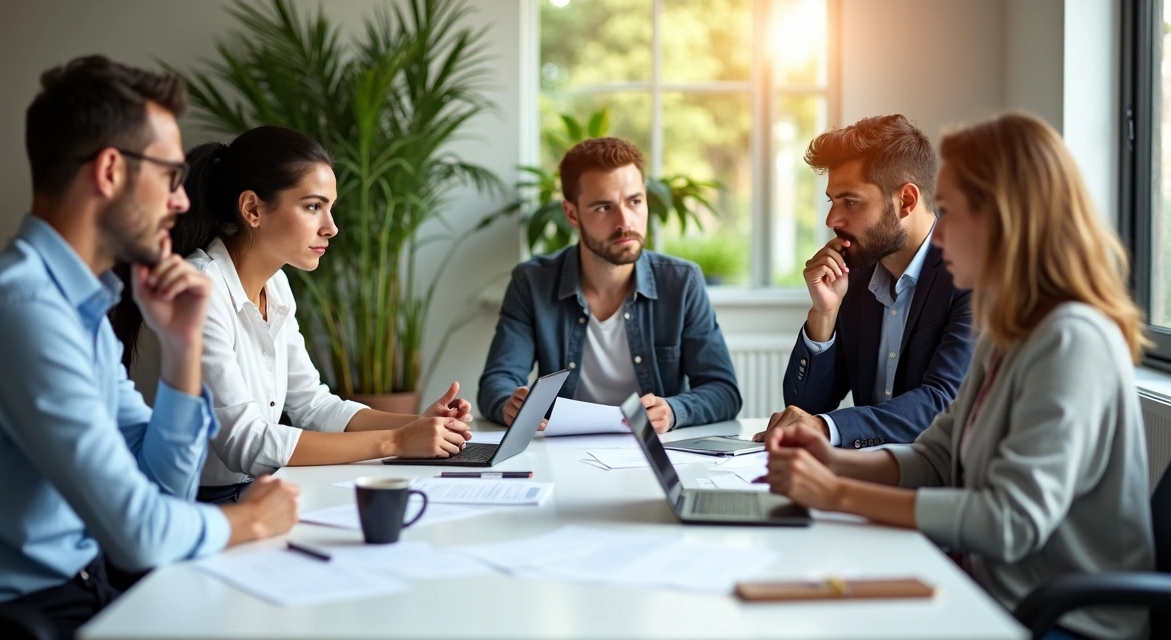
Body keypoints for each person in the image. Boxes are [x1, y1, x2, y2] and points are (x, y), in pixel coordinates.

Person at [764, 112, 1154, 640]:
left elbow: (1009, 522)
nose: (938, 232)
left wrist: (836, 492)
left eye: (949, 211)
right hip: (983, 589)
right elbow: (937, 457)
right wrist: (833, 462)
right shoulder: (1009, 327)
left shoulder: (1072, 339)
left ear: (1005, 220)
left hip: (1055, 619)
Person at [0, 55, 298, 637]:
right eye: (168, 176)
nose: (182, 201)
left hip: (87, 588)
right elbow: (138, 533)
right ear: (110, 171)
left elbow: (163, 486)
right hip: (17, 617)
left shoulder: (76, 304)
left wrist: (182, 347)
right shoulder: (25, 311)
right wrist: (250, 522)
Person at [111, 125, 474, 504]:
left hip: (254, 489)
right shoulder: (199, 290)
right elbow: (247, 443)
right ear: (252, 209)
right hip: (192, 502)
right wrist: (396, 441)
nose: (331, 228)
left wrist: (420, 424)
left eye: (329, 208)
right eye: (313, 207)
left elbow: (311, 404)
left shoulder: (277, 284)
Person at [478, 137, 741, 433]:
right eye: (604, 207)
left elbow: (723, 391)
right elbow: (497, 381)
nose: (625, 221)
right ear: (572, 214)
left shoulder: (682, 282)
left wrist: (674, 410)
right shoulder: (532, 282)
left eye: (635, 201)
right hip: (561, 450)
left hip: (653, 454)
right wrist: (509, 404)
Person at [753, 114, 974, 449]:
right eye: (832, 200)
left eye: (850, 201)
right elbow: (805, 407)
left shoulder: (972, 273)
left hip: (939, 485)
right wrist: (824, 314)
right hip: (866, 475)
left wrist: (827, 429)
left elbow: (942, 405)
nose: (832, 220)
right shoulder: (856, 273)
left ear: (907, 201)